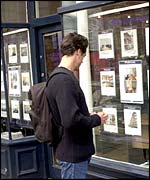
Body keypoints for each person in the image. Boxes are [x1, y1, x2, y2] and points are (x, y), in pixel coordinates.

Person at [45, 32, 108, 179]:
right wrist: (97, 119)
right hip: (73, 153)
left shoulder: (60, 77)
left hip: (72, 151)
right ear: (78, 52)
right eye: (83, 57)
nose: (82, 61)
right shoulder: (64, 80)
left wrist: (87, 116)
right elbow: (70, 120)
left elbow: (69, 114)